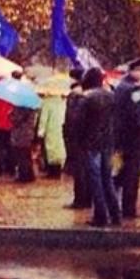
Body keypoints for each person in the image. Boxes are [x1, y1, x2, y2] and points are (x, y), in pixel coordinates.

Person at [78, 67, 121, 227]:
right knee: (107, 179)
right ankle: (115, 214)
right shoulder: (111, 96)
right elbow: (116, 121)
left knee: (95, 180)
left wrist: (79, 142)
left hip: (91, 143)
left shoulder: (86, 99)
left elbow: (79, 124)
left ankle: (101, 215)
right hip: (107, 142)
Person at [113, 57, 140, 219]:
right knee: (131, 175)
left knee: (123, 172)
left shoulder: (120, 87)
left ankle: (112, 199)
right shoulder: (135, 90)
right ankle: (129, 210)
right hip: (134, 139)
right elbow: (137, 116)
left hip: (121, 137)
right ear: (134, 71)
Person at [63, 69, 91, 209]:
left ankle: (80, 200)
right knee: (86, 170)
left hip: (77, 140)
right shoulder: (87, 94)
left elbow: (72, 120)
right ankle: (86, 198)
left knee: (79, 170)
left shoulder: (75, 96)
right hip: (87, 139)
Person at [37, 92, 67, 178]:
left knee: (50, 150)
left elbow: (44, 118)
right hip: (60, 128)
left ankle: (52, 172)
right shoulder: (62, 101)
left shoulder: (47, 102)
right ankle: (58, 170)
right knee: (58, 149)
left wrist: (40, 132)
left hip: (50, 128)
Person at [10, 105, 37, 183]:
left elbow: (16, 119)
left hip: (21, 134)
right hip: (28, 132)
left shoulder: (21, 108)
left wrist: (11, 115)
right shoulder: (31, 107)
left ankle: (24, 176)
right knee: (26, 154)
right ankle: (29, 174)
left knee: (21, 155)